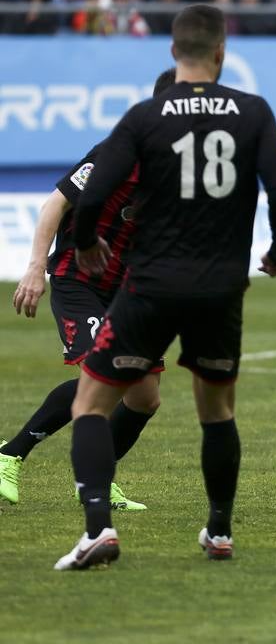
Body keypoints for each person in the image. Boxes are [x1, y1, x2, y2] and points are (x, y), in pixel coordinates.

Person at [54, 5, 276, 571]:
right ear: (221, 53)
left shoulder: (145, 116)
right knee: (217, 411)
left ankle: (97, 530)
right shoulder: (254, 112)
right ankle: (218, 531)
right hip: (220, 288)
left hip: (151, 286)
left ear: (172, 52)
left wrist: (86, 242)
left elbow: (93, 191)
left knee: (91, 403)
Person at [2, 69, 178, 510]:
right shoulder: (121, 151)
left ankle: (98, 476)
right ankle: (9, 456)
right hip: (80, 280)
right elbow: (57, 202)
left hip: (128, 289)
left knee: (145, 397)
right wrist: (35, 267)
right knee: (101, 376)